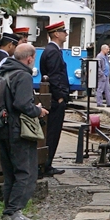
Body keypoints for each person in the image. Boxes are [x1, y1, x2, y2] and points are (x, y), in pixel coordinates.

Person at [0, 42, 47, 220]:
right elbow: (22, 104)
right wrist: (37, 111)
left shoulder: (4, 73)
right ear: (30, 58)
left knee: (10, 173)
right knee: (25, 172)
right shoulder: (23, 75)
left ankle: (8, 213)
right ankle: (14, 212)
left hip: (2, 129)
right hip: (18, 130)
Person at [38, 21, 72, 177]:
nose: (66, 33)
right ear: (57, 34)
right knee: (52, 132)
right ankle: (47, 164)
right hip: (55, 99)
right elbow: (55, 76)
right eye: (63, 31)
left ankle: (46, 163)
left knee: (52, 132)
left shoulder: (52, 50)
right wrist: (60, 96)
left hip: (54, 96)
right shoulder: (53, 51)